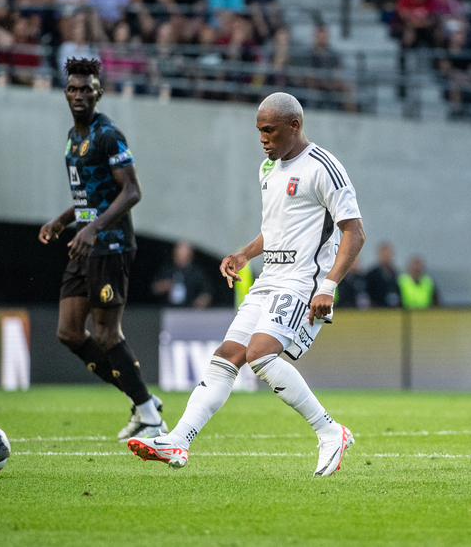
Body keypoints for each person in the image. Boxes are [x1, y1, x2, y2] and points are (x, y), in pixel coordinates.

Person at [128, 92, 366, 477]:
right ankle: (178, 440)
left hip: (302, 282)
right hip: (269, 278)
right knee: (226, 357)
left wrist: (328, 285)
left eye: (269, 130)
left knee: (259, 354)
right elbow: (275, 230)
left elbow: (355, 232)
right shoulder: (267, 169)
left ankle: (329, 432)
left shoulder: (324, 167)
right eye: (259, 131)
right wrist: (243, 254)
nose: (262, 139)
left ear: (294, 125)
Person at [38, 58, 166, 442]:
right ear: (65, 92)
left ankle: (150, 417)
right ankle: (143, 401)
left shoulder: (109, 135)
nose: (79, 95)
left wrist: (93, 228)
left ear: (99, 93)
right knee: (69, 332)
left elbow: (132, 191)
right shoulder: (72, 137)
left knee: (107, 333)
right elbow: (91, 196)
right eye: (73, 89)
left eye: (86, 89)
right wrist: (62, 221)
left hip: (110, 244)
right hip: (85, 242)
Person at [151, 240, 213, 308]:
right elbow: (154, 288)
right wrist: (164, 285)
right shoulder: (167, 269)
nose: (179, 255)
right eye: (177, 251)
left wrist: (200, 302)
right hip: (168, 310)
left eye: (182, 252)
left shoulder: (197, 272)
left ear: (190, 254)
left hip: (188, 310)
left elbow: (206, 292)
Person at [366, 242, 401, 307]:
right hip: (378, 309)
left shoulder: (397, 274)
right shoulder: (371, 275)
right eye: (384, 254)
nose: (386, 257)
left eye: (388, 254)